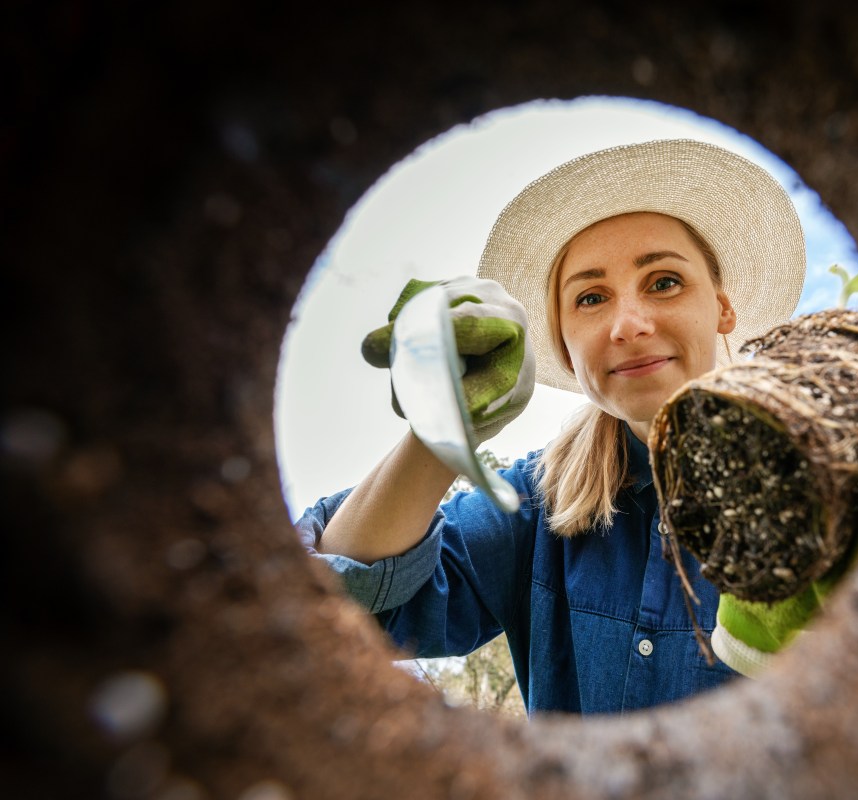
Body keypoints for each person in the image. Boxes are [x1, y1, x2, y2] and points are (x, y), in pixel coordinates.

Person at [295, 139, 807, 714]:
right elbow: (339, 612)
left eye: (663, 282)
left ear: (723, 307)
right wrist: (440, 437)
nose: (629, 324)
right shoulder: (535, 506)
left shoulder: (820, 481)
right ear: (563, 346)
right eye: (591, 297)